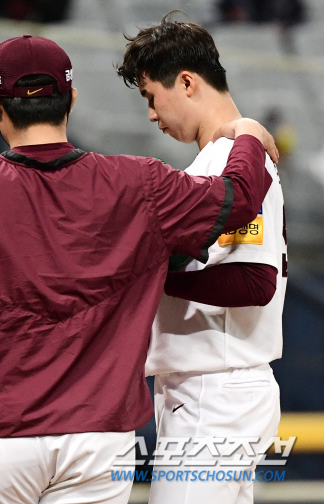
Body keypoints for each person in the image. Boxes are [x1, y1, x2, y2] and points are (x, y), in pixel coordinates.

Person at [0, 35, 278, 503]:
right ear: (71, 98)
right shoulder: (140, 183)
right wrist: (248, 135)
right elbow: (239, 198)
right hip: (100, 441)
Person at [117, 15, 286, 504]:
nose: (152, 114)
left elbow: (254, 282)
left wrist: (149, 273)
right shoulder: (220, 161)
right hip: (209, 389)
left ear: (187, 82)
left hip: (217, 390)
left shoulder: (234, 160)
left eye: (152, 96)